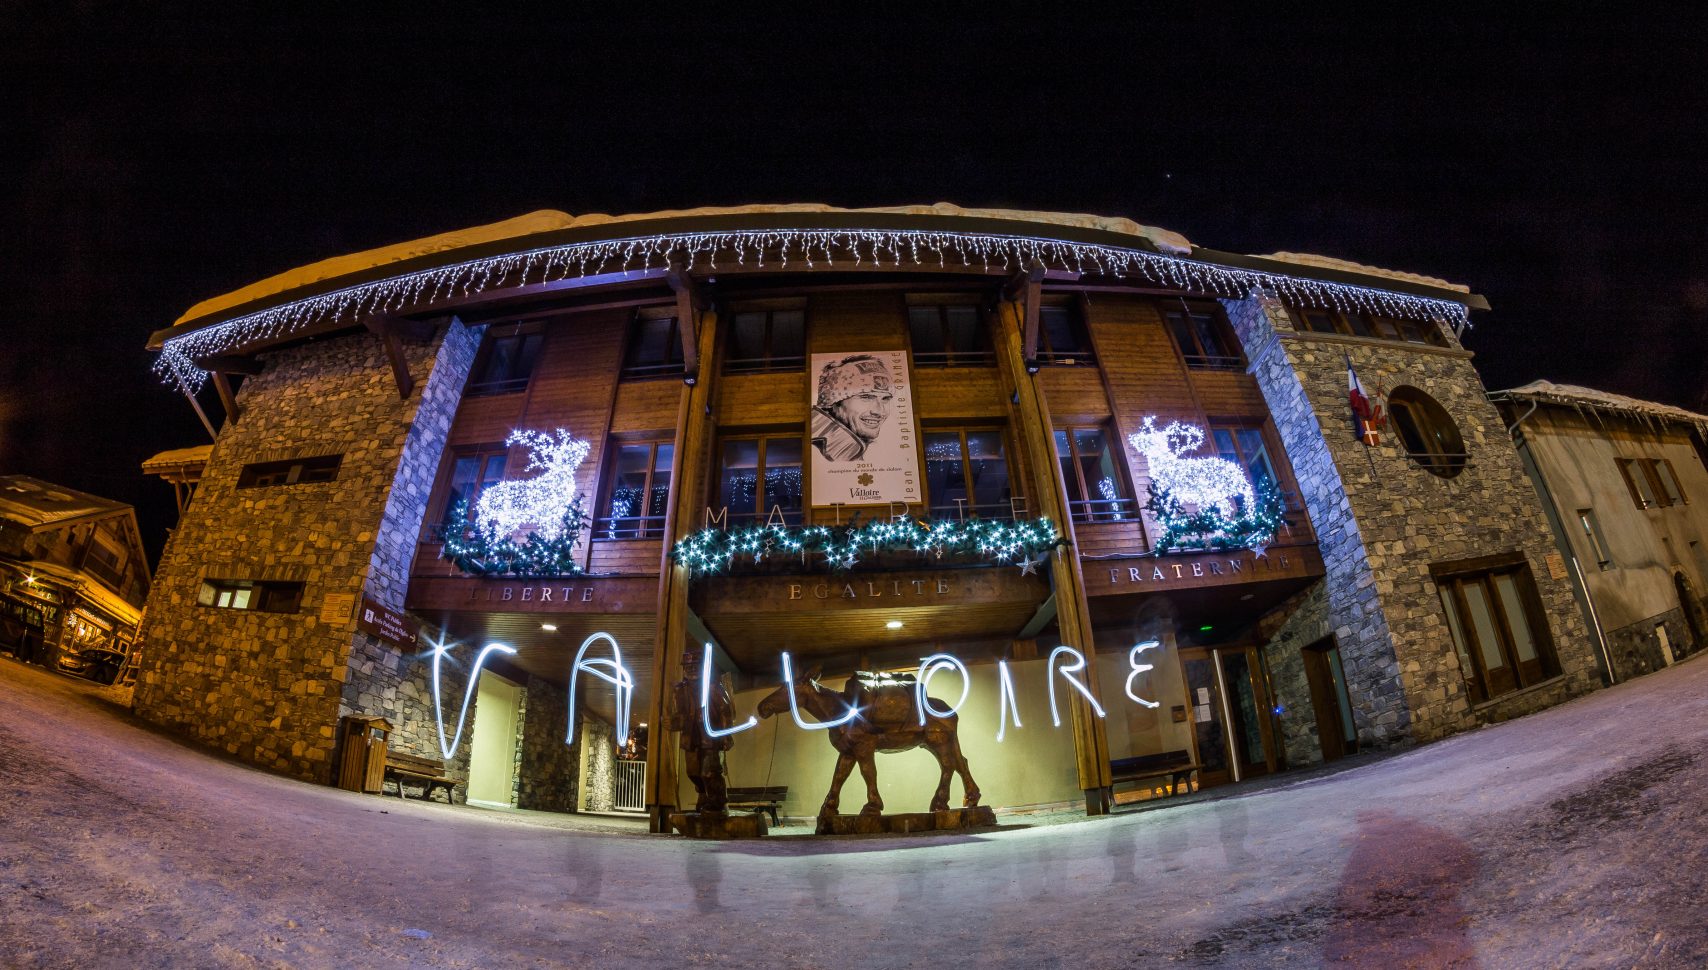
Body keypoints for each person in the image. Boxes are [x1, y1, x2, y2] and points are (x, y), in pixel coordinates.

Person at [668, 649, 734, 814]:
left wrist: (726, 734)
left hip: (710, 737)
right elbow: (678, 715)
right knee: (692, 772)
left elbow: (725, 710)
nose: (691, 669)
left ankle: (718, 802)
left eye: (695, 665)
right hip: (691, 736)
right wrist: (672, 722)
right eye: (688, 666)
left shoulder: (714, 687)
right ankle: (703, 795)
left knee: (709, 772)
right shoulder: (679, 690)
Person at [810, 355, 894, 462]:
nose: (879, 411)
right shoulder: (823, 451)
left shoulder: (845, 452)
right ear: (833, 401)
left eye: (885, 398)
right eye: (866, 397)